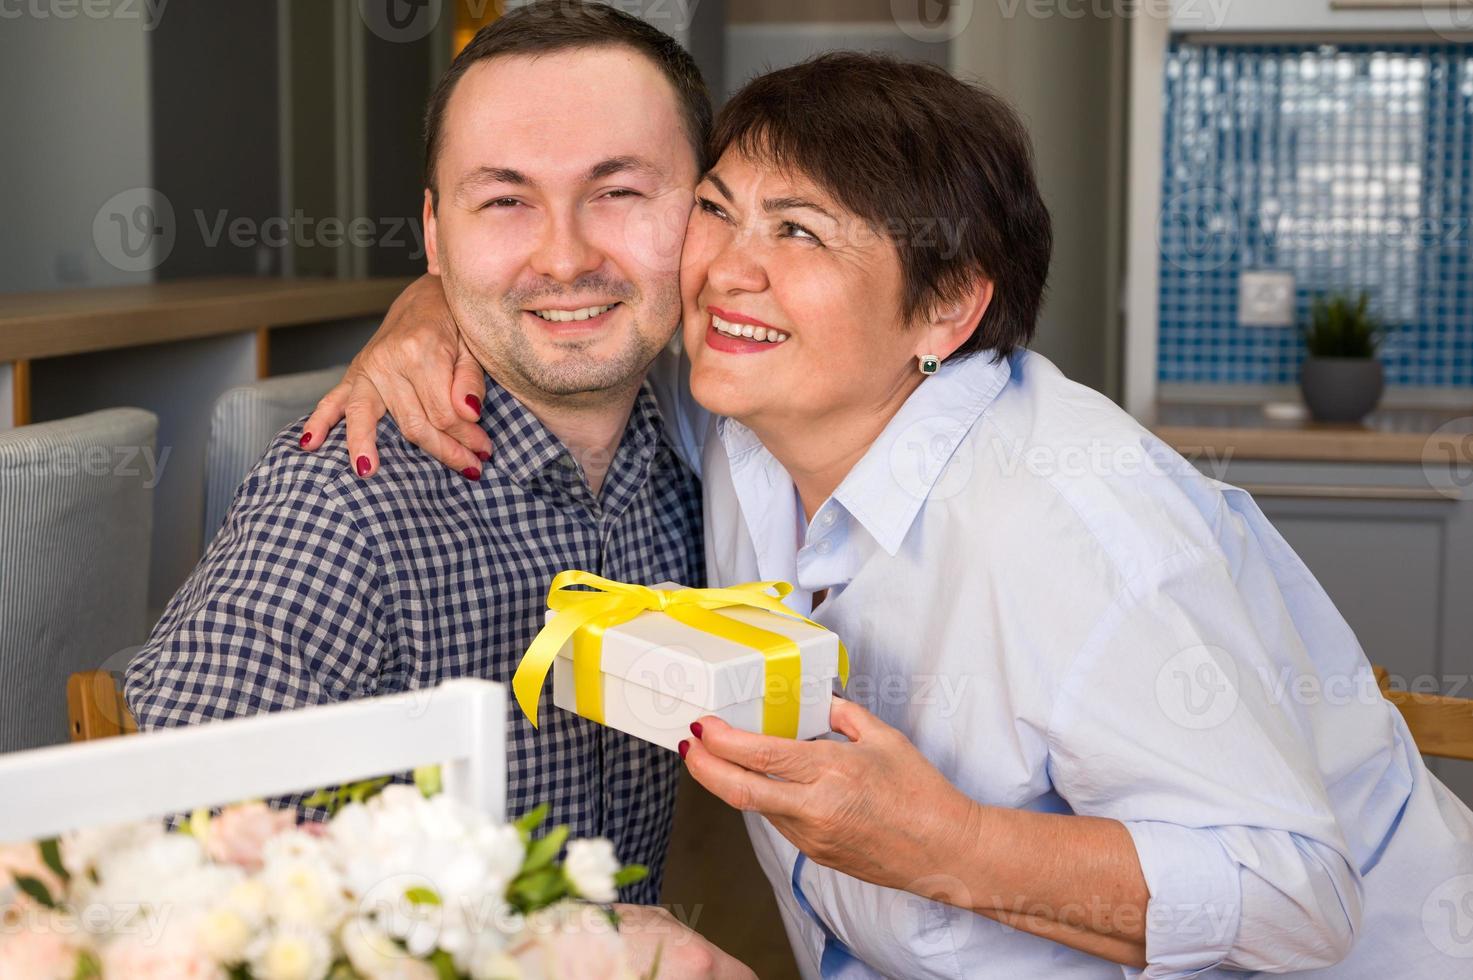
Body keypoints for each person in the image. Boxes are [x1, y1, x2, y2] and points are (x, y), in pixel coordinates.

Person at [306, 47, 1473, 980]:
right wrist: (435, 305)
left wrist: (945, 845)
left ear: (947, 307)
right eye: (719, 209)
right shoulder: (749, 418)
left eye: (801, 230)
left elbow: (1300, 895)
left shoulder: (1070, 527)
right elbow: (569, 289)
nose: (725, 270)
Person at [124, 6, 756, 975]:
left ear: (705, 216)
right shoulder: (343, 503)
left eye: (619, 190)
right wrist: (539, 936)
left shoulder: (706, 454)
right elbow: (170, 866)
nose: (564, 254)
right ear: (434, 232)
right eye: (504, 201)